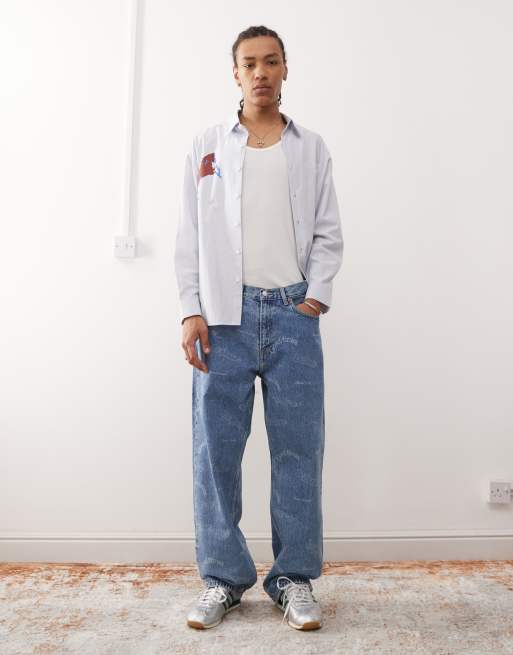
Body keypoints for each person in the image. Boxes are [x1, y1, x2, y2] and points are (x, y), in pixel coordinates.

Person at [174, 25, 343, 631]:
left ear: (285, 69)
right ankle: (222, 579)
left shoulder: (310, 147)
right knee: (214, 451)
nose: (261, 73)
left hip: (294, 315)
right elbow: (190, 234)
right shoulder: (208, 145)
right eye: (250, 63)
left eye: (271, 62)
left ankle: (294, 579)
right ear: (236, 73)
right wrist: (191, 309)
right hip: (224, 319)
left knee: (299, 450)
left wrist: (315, 297)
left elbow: (328, 229)